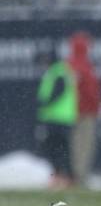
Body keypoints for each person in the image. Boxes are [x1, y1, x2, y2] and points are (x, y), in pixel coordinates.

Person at [35, 56, 78, 188]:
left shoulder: (58, 73)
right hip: (57, 118)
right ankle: (63, 176)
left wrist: (45, 104)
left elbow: (57, 93)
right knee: (58, 148)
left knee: (58, 148)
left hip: (58, 118)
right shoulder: (59, 72)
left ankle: (65, 177)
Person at [68, 32, 101, 187]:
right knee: (83, 145)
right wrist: (95, 106)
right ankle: (79, 177)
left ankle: (76, 175)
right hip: (85, 112)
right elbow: (88, 91)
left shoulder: (69, 64)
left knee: (76, 144)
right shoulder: (83, 65)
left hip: (73, 112)